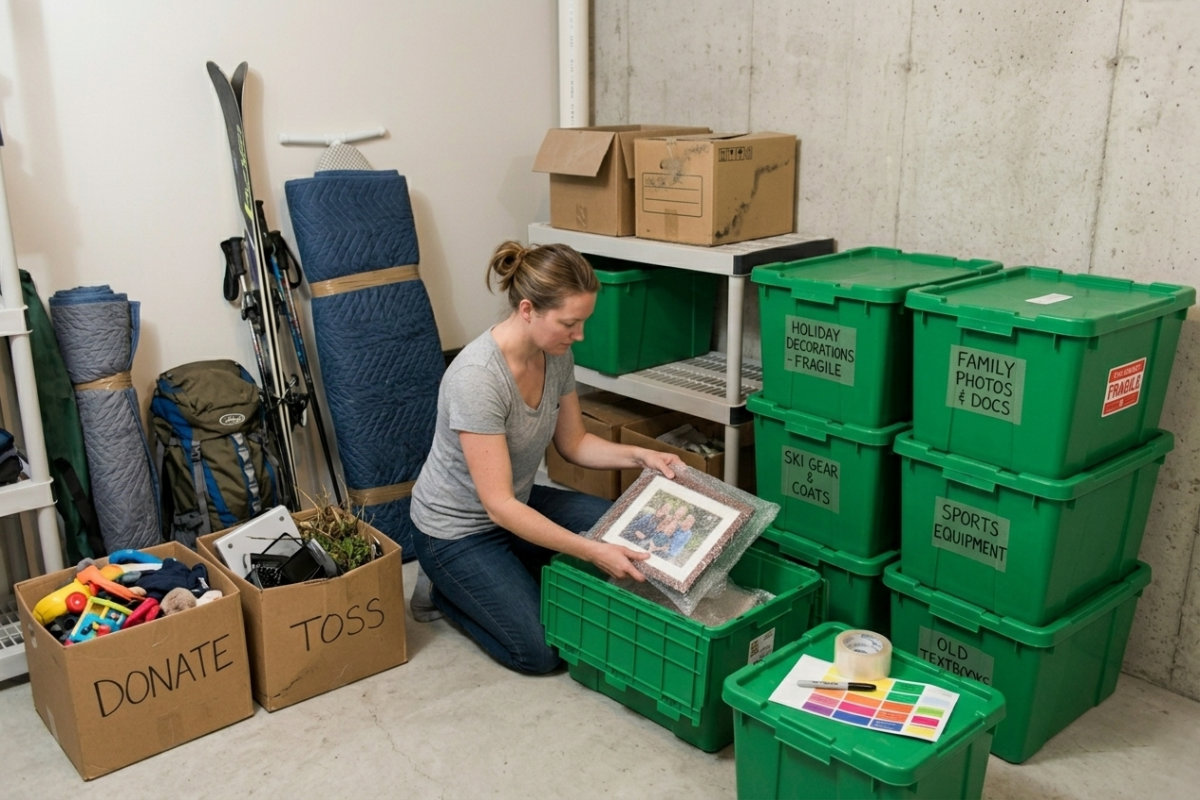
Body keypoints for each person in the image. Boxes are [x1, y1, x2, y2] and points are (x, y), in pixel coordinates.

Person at [408, 240, 685, 674]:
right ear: (526, 310)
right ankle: (443, 589)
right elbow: (497, 506)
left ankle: (516, 567)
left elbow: (574, 444)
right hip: (458, 530)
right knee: (540, 652)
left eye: (583, 323)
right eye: (570, 324)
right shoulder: (477, 379)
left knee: (626, 529)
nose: (579, 336)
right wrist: (591, 550)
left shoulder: (555, 354)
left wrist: (641, 456)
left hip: (518, 504)